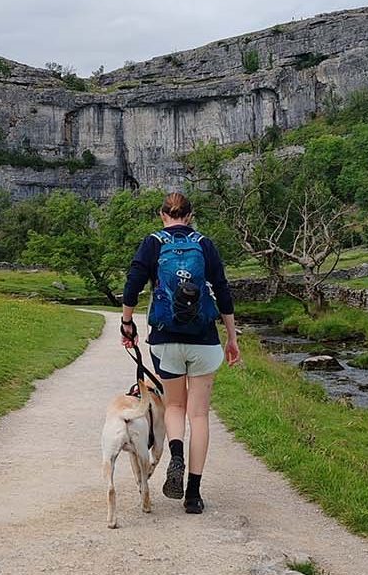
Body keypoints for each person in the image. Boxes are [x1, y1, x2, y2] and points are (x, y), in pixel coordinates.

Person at [119, 191, 239, 514]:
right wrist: (231, 337)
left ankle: (175, 454)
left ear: (163, 215)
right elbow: (223, 291)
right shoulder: (204, 244)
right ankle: (194, 495)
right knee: (198, 415)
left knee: (174, 406)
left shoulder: (153, 243)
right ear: (190, 216)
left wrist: (127, 323)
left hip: (166, 338)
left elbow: (132, 284)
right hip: (203, 338)